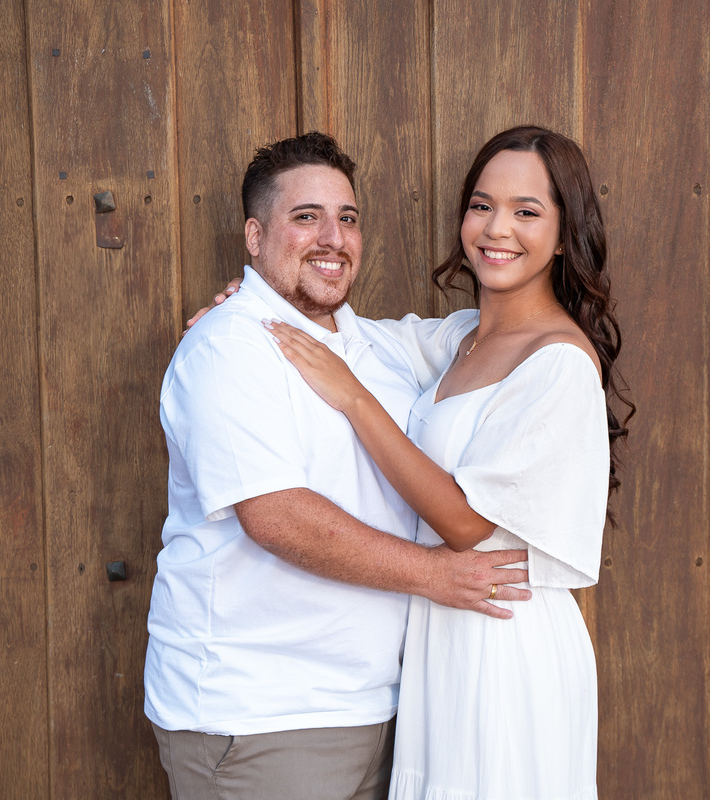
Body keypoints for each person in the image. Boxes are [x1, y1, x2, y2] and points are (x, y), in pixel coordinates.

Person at [144, 131, 533, 800]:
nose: (333, 237)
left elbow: (514, 329)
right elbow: (277, 518)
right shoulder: (228, 348)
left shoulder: (376, 346)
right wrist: (437, 576)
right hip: (259, 718)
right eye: (306, 217)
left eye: (346, 218)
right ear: (255, 236)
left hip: (371, 711)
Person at [266, 125, 630, 799]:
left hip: (505, 641)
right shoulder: (460, 338)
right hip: (446, 630)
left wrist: (354, 401)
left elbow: (467, 523)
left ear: (562, 231)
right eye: (481, 205)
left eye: (527, 211)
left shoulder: (558, 363)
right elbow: (349, 337)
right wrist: (250, 306)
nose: (497, 229)